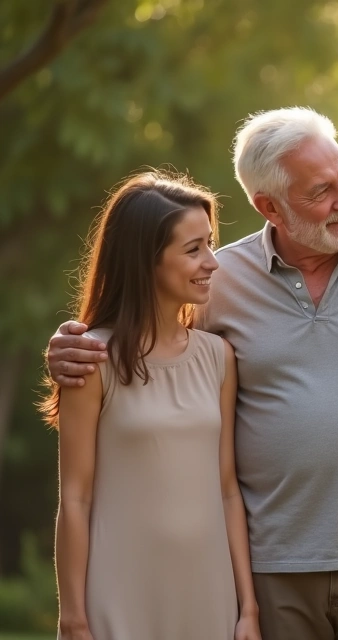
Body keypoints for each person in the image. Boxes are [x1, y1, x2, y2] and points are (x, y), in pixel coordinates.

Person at [46, 107, 338, 639]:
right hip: (269, 564)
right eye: (321, 191)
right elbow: (150, 336)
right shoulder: (220, 279)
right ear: (269, 206)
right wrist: (70, 347)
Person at [42, 172, 259, 640]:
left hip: (207, 593)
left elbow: (227, 491)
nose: (212, 263)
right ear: (146, 260)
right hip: (118, 593)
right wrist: (73, 618)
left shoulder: (218, 357)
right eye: (193, 249)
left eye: (210, 243)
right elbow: (75, 500)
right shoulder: (91, 360)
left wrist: (249, 609)